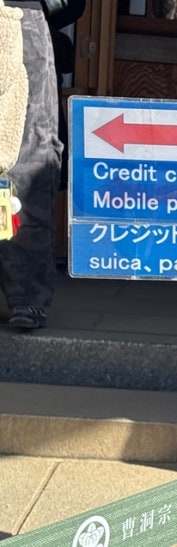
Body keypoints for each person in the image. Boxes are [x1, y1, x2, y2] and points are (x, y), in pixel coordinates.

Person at [0, 0, 82, 328]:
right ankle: (27, 296)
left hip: (23, 23)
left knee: (26, 167)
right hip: (24, 21)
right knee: (26, 164)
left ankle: (27, 295)